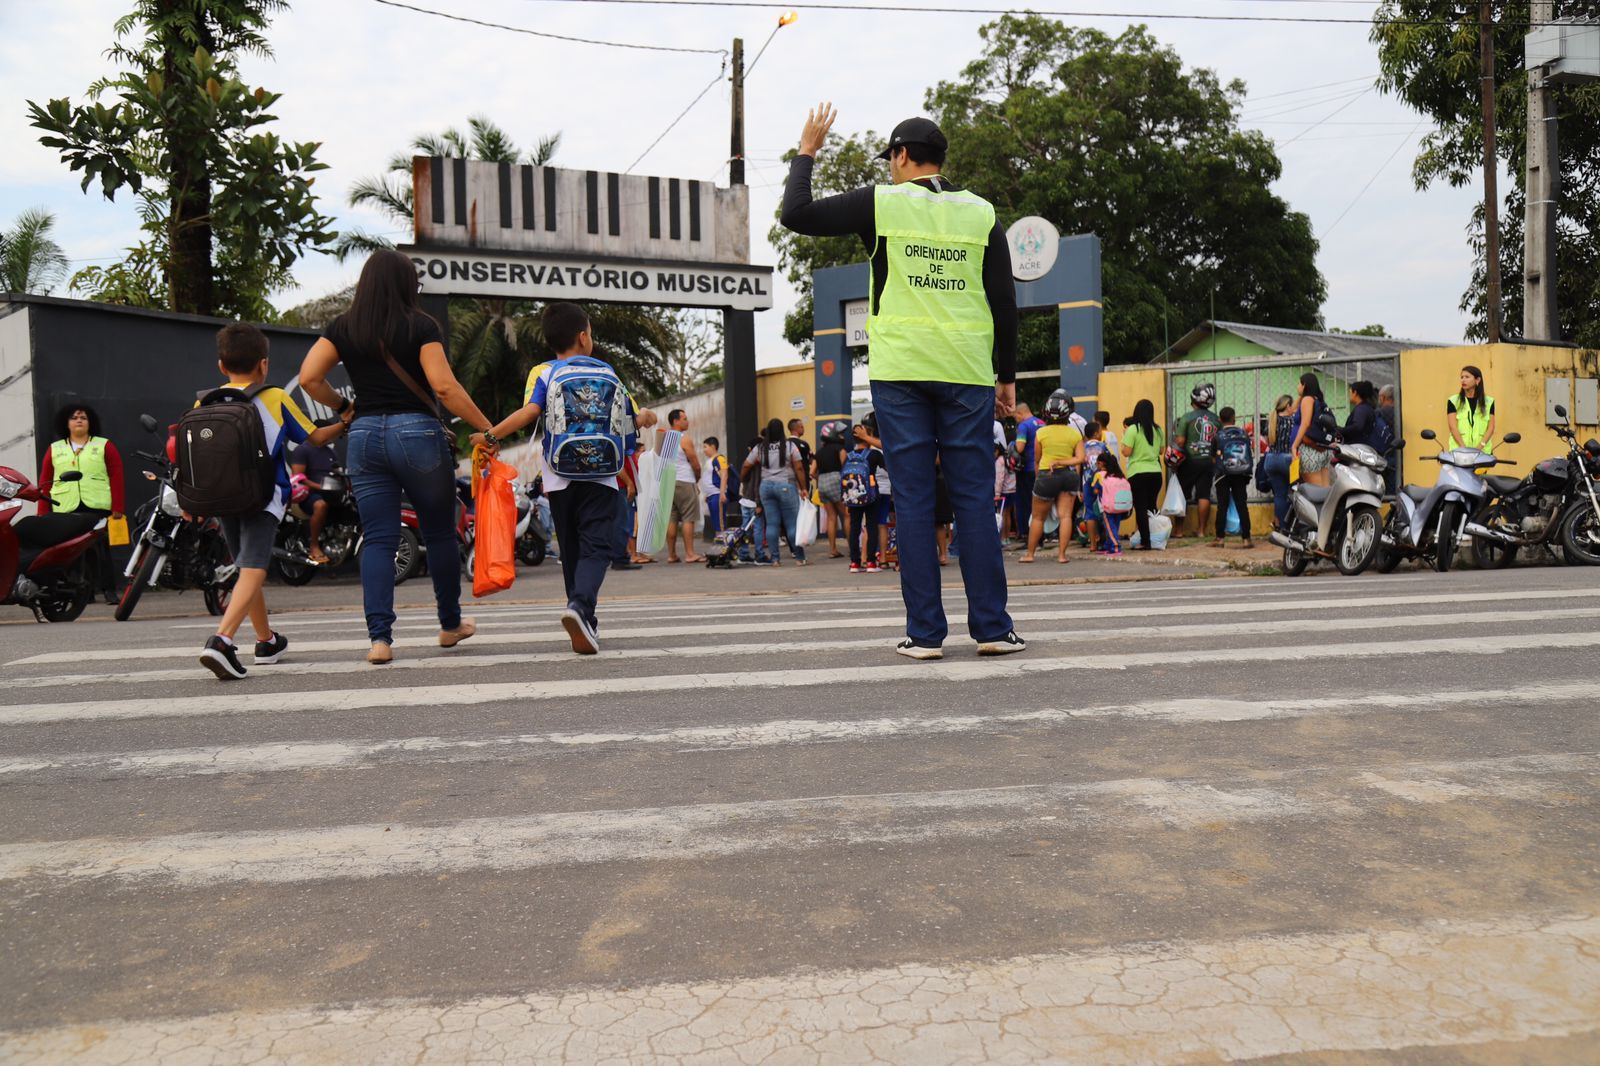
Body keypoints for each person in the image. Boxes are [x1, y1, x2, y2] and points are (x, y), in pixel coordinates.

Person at [781, 104, 1022, 659]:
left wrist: (808, 151)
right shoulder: (981, 212)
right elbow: (1004, 300)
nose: (890, 168)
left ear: (903, 155)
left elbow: (796, 213)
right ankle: (992, 629)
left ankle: (925, 635)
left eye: (890, 157)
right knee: (972, 499)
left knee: (912, 500)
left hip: (900, 373)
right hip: (965, 372)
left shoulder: (881, 203)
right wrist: (1005, 377)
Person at [298, 248, 494, 664]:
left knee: (380, 538)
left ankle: (380, 640)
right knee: (439, 532)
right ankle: (449, 624)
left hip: (364, 436)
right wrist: (487, 428)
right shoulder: (421, 325)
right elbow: (443, 387)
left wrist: (343, 408)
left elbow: (309, 377)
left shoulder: (344, 326)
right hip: (417, 433)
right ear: (408, 285)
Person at [475, 302, 658, 655]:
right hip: (602, 477)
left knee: (572, 549)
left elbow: (530, 412)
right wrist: (647, 416)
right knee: (597, 547)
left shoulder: (543, 372)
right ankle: (580, 608)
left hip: (559, 477)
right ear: (583, 337)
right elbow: (632, 417)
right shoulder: (606, 370)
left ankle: (583, 618)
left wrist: (491, 437)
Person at [198, 324, 351, 679]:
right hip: (263, 495)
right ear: (263, 365)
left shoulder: (205, 400)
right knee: (254, 567)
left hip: (221, 496)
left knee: (246, 568)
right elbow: (314, 437)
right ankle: (221, 640)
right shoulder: (274, 397)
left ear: (222, 365)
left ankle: (266, 641)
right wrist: (344, 420)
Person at [37, 402, 126, 603]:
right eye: (74, 417)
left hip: (97, 506)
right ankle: (82, 592)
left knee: (102, 549)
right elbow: (45, 482)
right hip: (66, 507)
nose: (79, 420)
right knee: (72, 551)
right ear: (66, 424)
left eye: (83, 418)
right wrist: (43, 511)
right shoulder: (55, 449)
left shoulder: (104, 445)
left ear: (90, 423)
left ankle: (109, 591)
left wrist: (117, 507)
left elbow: (116, 476)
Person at [1019, 390, 1084, 565]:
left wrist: (1040, 475)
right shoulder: (1075, 434)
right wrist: (1063, 461)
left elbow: (1037, 459)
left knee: (1038, 517)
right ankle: (1062, 555)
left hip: (1046, 475)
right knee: (1065, 516)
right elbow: (1080, 458)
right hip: (1069, 477)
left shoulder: (1041, 433)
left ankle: (1030, 554)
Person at [741, 418, 809, 566]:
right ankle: (799, 558)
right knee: (792, 524)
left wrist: (742, 478)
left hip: (765, 487)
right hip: (786, 486)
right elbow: (799, 468)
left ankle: (775, 559)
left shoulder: (760, 448)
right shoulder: (790, 446)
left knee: (772, 524)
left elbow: (746, 465)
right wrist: (803, 488)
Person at [1173, 383, 1221, 538]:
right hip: (1208, 462)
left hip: (1189, 461)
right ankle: (1201, 531)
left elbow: (1180, 441)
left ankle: (1179, 530)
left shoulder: (1187, 417)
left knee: (1182, 494)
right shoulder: (1216, 419)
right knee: (1203, 495)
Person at [1120, 398, 1165, 552]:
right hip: (1155, 473)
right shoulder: (1158, 430)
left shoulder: (1133, 429)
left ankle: (1145, 542)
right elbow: (1161, 451)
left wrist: (1124, 441)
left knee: (1141, 508)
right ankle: (1158, 537)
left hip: (1138, 473)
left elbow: (1126, 452)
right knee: (1152, 507)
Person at [288, 439, 339, 564]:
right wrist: (320, 487)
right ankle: (314, 546)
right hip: (308, 496)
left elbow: (337, 474)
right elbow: (298, 478)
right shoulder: (302, 450)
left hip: (330, 495)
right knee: (320, 505)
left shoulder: (331, 452)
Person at [1210, 406, 1254, 549]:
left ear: (1220, 420)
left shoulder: (1218, 436)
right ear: (1234, 418)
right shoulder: (1244, 434)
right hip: (1241, 473)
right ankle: (1246, 539)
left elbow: (1212, 458)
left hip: (1223, 474)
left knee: (1222, 505)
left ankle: (1220, 538)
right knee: (1242, 505)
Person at [664, 409, 703, 564]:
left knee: (672, 519)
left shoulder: (664, 438)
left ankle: (672, 554)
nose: (687, 421)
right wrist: (697, 478)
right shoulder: (683, 439)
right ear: (676, 421)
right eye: (684, 419)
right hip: (684, 480)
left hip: (668, 482)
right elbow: (695, 463)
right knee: (688, 517)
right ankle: (690, 553)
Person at [843, 432, 885, 573]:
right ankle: (871, 562)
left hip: (853, 496)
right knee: (872, 526)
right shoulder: (874, 454)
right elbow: (888, 468)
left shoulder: (848, 456)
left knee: (855, 527)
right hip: (872, 495)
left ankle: (855, 562)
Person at [1288, 372, 1336, 489]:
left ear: (1305, 385)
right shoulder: (1314, 399)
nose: (1297, 386)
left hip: (1309, 451)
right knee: (1324, 489)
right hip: (1321, 450)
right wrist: (1302, 395)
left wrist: (1294, 446)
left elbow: (1305, 423)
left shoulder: (1307, 400)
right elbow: (1291, 410)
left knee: (1317, 491)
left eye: (1299, 384)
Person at [813, 427, 849, 558]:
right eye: (840, 434)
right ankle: (852, 548)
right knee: (846, 515)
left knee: (831, 517)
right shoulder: (840, 449)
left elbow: (812, 472)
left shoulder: (820, 452)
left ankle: (833, 550)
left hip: (822, 482)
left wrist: (822, 479)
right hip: (836, 479)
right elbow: (843, 464)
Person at [1263, 394, 1296, 530]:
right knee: (1294, 493)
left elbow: (1267, 438)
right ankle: (1292, 527)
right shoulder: (1293, 421)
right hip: (1289, 460)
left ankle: (1282, 527)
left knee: (1279, 495)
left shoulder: (1271, 420)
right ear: (1288, 406)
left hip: (1270, 459)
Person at [1011, 402, 1043, 547]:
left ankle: (1028, 537)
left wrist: (1012, 444)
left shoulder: (1024, 426)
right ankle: (1041, 536)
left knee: (1025, 504)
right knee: (1039, 503)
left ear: (1020, 413)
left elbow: (1020, 447)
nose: (1015, 420)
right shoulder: (1042, 423)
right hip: (1041, 468)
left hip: (1027, 470)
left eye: (1015, 417)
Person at [1447, 365, 1496, 452]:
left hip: (1482, 454)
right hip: (1459, 453)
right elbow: (1452, 427)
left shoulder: (1489, 401)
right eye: (1462, 377)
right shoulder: (1453, 401)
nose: (1463, 380)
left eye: (1467, 377)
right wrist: (1464, 448)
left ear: (1477, 380)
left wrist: (1479, 448)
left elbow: (1491, 428)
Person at [737, 434, 769, 564]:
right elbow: (757, 485)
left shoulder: (747, 462)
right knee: (758, 529)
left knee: (745, 528)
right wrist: (759, 503)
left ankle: (743, 554)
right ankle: (760, 555)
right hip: (753, 501)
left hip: (744, 500)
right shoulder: (758, 464)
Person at [1093, 451, 1131, 555]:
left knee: (1109, 528)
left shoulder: (1101, 475)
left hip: (1107, 507)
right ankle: (1108, 546)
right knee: (1115, 527)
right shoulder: (1120, 476)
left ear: (1101, 464)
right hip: (1119, 506)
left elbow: (1095, 490)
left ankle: (1115, 547)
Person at [699, 436, 730, 540]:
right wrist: (707, 495)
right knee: (716, 523)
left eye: (705, 447)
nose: (704, 450)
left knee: (720, 524)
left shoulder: (720, 459)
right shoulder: (709, 460)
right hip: (711, 496)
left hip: (718, 495)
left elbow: (724, 475)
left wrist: (722, 493)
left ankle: (723, 547)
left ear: (713, 446)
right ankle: (719, 545)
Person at [1342, 380, 1378, 448]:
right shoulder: (1366, 407)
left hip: (1358, 449)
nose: (1349, 395)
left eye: (1350, 392)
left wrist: (1340, 430)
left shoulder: (1361, 409)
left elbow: (1357, 426)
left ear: (1355, 393)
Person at [1377, 384, 1399, 494]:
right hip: (1397, 454)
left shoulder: (1381, 412)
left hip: (1385, 454)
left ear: (1383, 397)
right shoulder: (1398, 411)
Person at [994, 442, 1016, 541]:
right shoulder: (1008, 458)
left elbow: (999, 479)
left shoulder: (999, 461)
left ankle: (1003, 537)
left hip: (1003, 492)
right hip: (1012, 489)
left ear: (997, 451)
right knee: (1008, 515)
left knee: (1002, 515)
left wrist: (997, 494)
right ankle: (1006, 538)